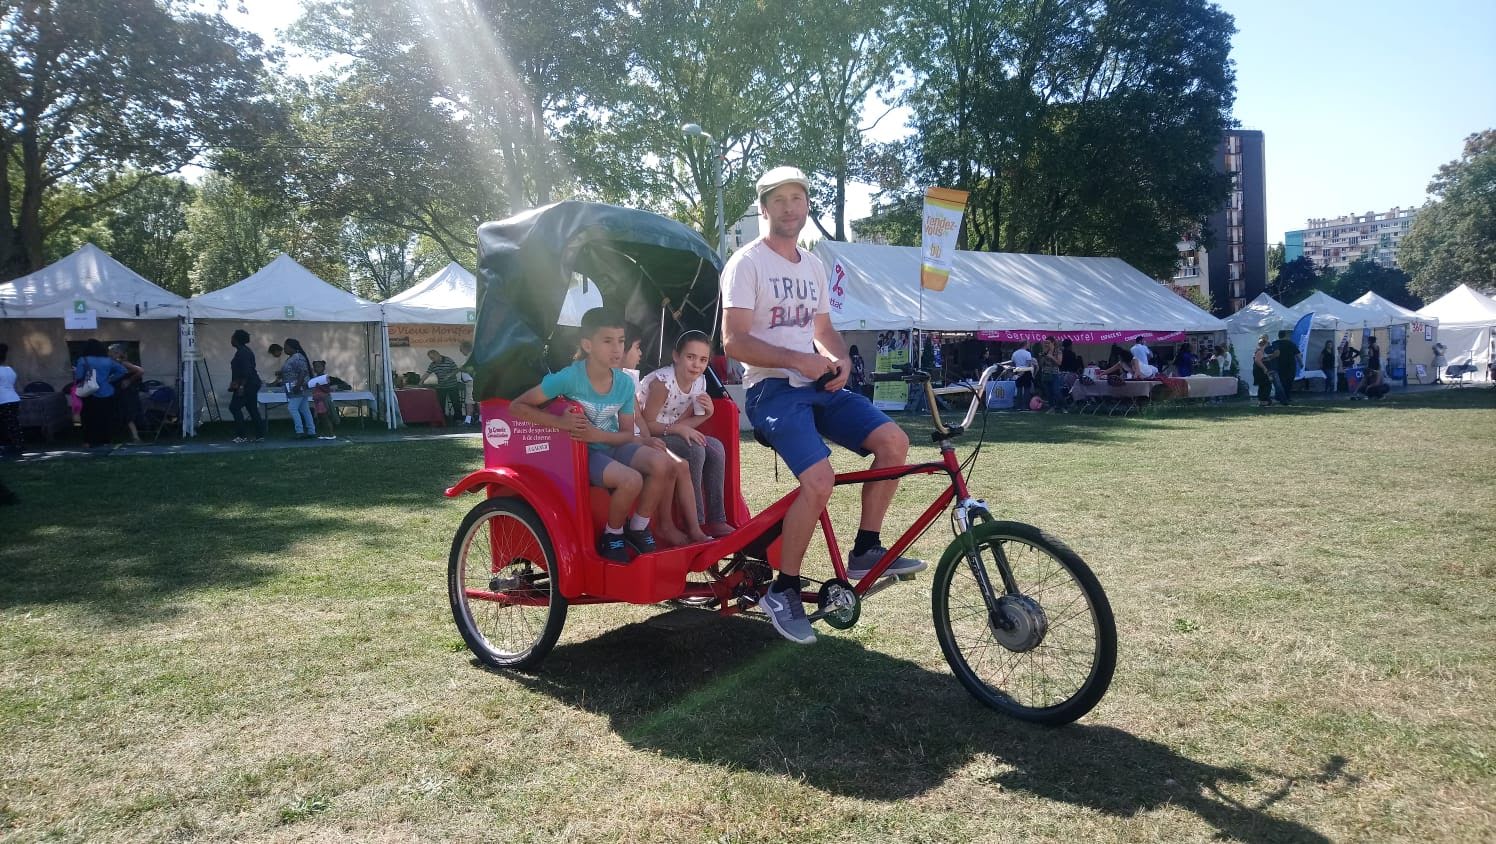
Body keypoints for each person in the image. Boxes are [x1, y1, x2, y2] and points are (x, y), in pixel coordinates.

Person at [723, 165, 922, 645]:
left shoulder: (812, 266)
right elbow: (733, 342)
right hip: (771, 390)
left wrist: (837, 359)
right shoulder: (746, 263)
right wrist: (797, 361)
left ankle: (867, 549)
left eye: (798, 198)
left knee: (894, 442)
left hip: (816, 384)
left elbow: (824, 331)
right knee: (820, 479)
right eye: (780, 200)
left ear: (807, 204)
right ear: (765, 207)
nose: (791, 208)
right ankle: (784, 589)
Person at [509, 307, 676, 562]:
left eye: (621, 341)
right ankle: (612, 535)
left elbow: (625, 434)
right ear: (587, 345)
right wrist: (560, 422)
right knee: (631, 480)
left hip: (606, 443)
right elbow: (517, 406)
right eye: (607, 341)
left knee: (663, 464)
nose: (617, 349)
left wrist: (597, 435)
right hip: (581, 454)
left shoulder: (623, 383)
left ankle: (638, 528)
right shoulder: (569, 378)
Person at [638, 330, 734, 541]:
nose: (696, 365)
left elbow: (685, 425)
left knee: (716, 447)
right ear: (676, 356)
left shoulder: (700, 383)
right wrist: (679, 429)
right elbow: (647, 424)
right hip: (649, 436)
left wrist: (707, 414)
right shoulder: (663, 383)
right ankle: (695, 521)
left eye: (703, 360)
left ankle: (717, 519)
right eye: (690, 357)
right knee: (695, 449)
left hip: (672, 432)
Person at [73, 339, 132, 449]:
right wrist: (110, 379)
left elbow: (79, 376)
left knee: (88, 418)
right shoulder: (108, 361)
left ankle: (88, 441)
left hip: (89, 392)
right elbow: (123, 370)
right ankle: (106, 441)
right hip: (107, 392)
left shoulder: (83, 359)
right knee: (105, 418)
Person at [227, 329, 267, 444]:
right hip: (251, 383)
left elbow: (246, 371)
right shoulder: (244, 351)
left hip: (247, 384)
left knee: (234, 407)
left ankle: (242, 435)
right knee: (252, 408)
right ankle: (260, 434)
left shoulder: (242, 353)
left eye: (232, 337)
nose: (231, 340)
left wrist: (241, 387)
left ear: (236, 339)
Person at [107, 344, 144, 444]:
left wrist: (129, 380)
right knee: (123, 413)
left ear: (118, 353)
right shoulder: (114, 363)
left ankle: (136, 437)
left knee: (127, 414)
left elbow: (140, 371)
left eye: (111, 352)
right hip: (119, 391)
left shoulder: (123, 363)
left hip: (126, 393)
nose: (109, 354)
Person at [280, 338, 316, 439]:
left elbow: (303, 372)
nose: (284, 349)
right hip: (295, 387)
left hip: (298, 388)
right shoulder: (292, 357)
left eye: (286, 347)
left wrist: (298, 385)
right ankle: (311, 430)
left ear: (292, 347)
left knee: (292, 408)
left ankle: (299, 431)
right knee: (304, 409)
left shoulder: (298, 357)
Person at [423, 349, 463, 422]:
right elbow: (427, 373)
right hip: (441, 387)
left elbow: (456, 370)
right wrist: (421, 381)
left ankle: (458, 418)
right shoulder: (432, 364)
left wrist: (449, 375)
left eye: (432, 358)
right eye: (430, 358)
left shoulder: (448, 360)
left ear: (438, 355)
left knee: (456, 403)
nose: (432, 359)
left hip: (452, 385)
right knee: (440, 404)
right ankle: (442, 419)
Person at [1266, 330, 1300, 405]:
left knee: (1280, 382)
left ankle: (1279, 397)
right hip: (1290, 365)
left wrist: (1269, 359)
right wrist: (1301, 363)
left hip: (1279, 365)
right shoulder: (1291, 343)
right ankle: (1287, 397)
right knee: (1289, 382)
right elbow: (1297, 354)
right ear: (1285, 335)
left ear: (1278, 335)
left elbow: (1270, 352)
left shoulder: (1275, 343)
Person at [308, 361, 338, 438]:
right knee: (320, 417)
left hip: (323, 400)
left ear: (323, 368)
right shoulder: (315, 378)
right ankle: (324, 433)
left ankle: (331, 433)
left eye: (319, 367)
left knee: (325, 417)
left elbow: (327, 389)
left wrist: (319, 386)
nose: (316, 368)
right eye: (315, 367)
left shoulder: (325, 377)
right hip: (317, 400)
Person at [0, 344, 20, 458]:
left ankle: (6, 448)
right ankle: (16, 446)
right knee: (13, 424)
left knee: (4, 426)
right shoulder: (10, 370)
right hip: (13, 398)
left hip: (2, 400)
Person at [1252, 336, 1273, 408]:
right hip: (1261, 372)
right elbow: (1257, 361)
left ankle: (1262, 401)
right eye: (1267, 344)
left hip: (1261, 371)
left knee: (1263, 386)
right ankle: (1263, 401)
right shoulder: (1260, 351)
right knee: (1266, 385)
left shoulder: (1261, 351)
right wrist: (1264, 368)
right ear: (1265, 344)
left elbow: (1263, 359)